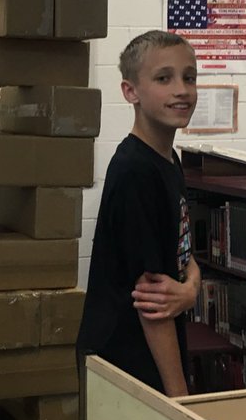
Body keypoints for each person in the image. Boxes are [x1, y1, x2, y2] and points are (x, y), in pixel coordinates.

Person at [77, 30, 201, 396]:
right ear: (130, 91)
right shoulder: (136, 172)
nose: (182, 89)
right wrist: (179, 399)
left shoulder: (167, 159)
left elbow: (183, 254)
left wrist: (191, 289)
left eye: (189, 77)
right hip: (125, 359)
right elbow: (153, 303)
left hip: (150, 353)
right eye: (164, 78)